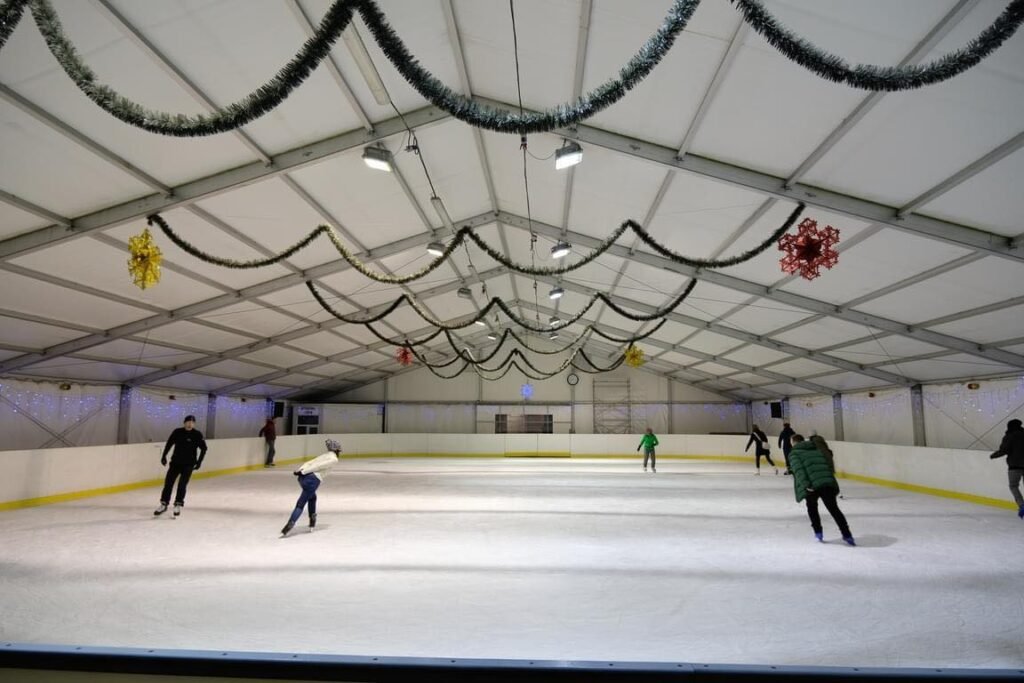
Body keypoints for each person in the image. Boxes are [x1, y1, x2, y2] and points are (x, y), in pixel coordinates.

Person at [789, 434, 854, 545]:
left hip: (811, 485)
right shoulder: (815, 449)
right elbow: (826, 464)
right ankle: (847, 534)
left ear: (793, 442)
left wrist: (806, 485)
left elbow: (799, 470)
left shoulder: (794, 453)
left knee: (812, 508)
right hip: (826, 482)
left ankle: (818, 532)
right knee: (834, 509)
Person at [282, 439, 342, 536]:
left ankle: (312, 520)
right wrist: (303, 472)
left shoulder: (325, 455)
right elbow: (318, 466)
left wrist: (300, 470)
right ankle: (290, 524)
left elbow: (310, 462)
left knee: (312, 497)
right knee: (301, 504)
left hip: (302, 479)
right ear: (337, 450)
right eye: (339, 450)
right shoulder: (334, 459)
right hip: (312, 480)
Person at [155, 415, 208, 517]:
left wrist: (199, 462)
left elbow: (204, 448)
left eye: (192, 422)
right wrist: (164, 456)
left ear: (194, 424)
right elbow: (169, 443)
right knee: (168, 483)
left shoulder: (197, 434)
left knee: (182, 484)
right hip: (175, 463)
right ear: (184, 423)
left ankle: (178, 504)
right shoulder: (177, 432)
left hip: (188, 464)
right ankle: (164, 504)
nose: (190, 424)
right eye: (188, 422)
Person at [989, 418, 1024, 518]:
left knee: (1013, 486)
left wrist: (993, 455)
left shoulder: (1009, 436)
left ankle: (1022, 505)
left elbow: (1004, 450)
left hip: (1014, 466)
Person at [809, 431, 841, 499]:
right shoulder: (822, 442)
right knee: (830, 477)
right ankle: (835, 491)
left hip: (823, 464)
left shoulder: (814, 444)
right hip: (828, 463)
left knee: (825, 478)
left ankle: (833, 491)